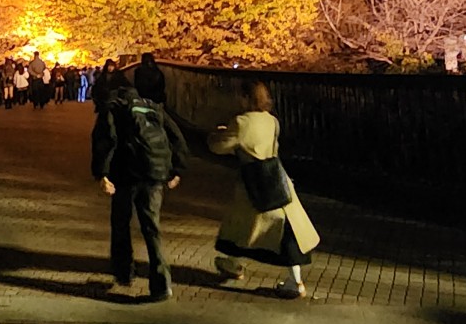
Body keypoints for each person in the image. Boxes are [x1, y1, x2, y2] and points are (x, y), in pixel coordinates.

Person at [207, 80, 320, 298]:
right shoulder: (272, 121)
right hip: (276, 178)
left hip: (253, 184)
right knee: (286, 230)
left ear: (246, 98)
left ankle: (236, 264)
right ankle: (292, 279)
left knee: (244, 226)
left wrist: (215, 134)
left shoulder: (241, 122)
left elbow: (220, 146)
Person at [91, 77, 188, 301]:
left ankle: (123, 271)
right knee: (151, 227)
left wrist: (101, 173)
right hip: (154, 174)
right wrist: (177, 169)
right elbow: (176, 137)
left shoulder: (113, 107)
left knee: (121, 223)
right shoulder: (151, 106)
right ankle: (161, 283)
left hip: (126, 174)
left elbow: (106, 140)